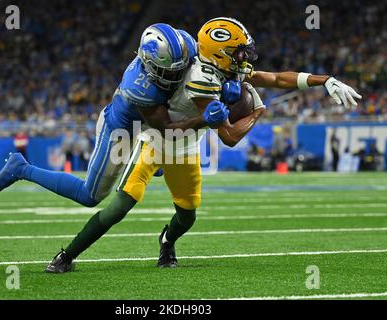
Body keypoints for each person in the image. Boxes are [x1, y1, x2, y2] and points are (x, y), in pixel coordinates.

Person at [44, 17, 363, 273]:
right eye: (239, 52)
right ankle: (66, 255)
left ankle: (166, 241)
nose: (245, 57)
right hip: (157, 140)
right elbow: (228, 136)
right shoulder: (203, 81)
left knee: (187, 217)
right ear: (221, 56)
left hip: (184, 149)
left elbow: (276, 78)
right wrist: (258, 114)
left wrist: (325, 80)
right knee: (119, 207)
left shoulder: (221, 68)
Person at [0, 24, 229, 206]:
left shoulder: (184, 45)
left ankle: (151, 161)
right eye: (170, 71)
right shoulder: (139, 87)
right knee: (90, 196)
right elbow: (166, 128)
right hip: (125, 128)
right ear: (150, 65)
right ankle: (21, 168)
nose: (177, 75)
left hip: (154, 123)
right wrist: (204, 119)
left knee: (165, 154)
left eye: (182, 66)